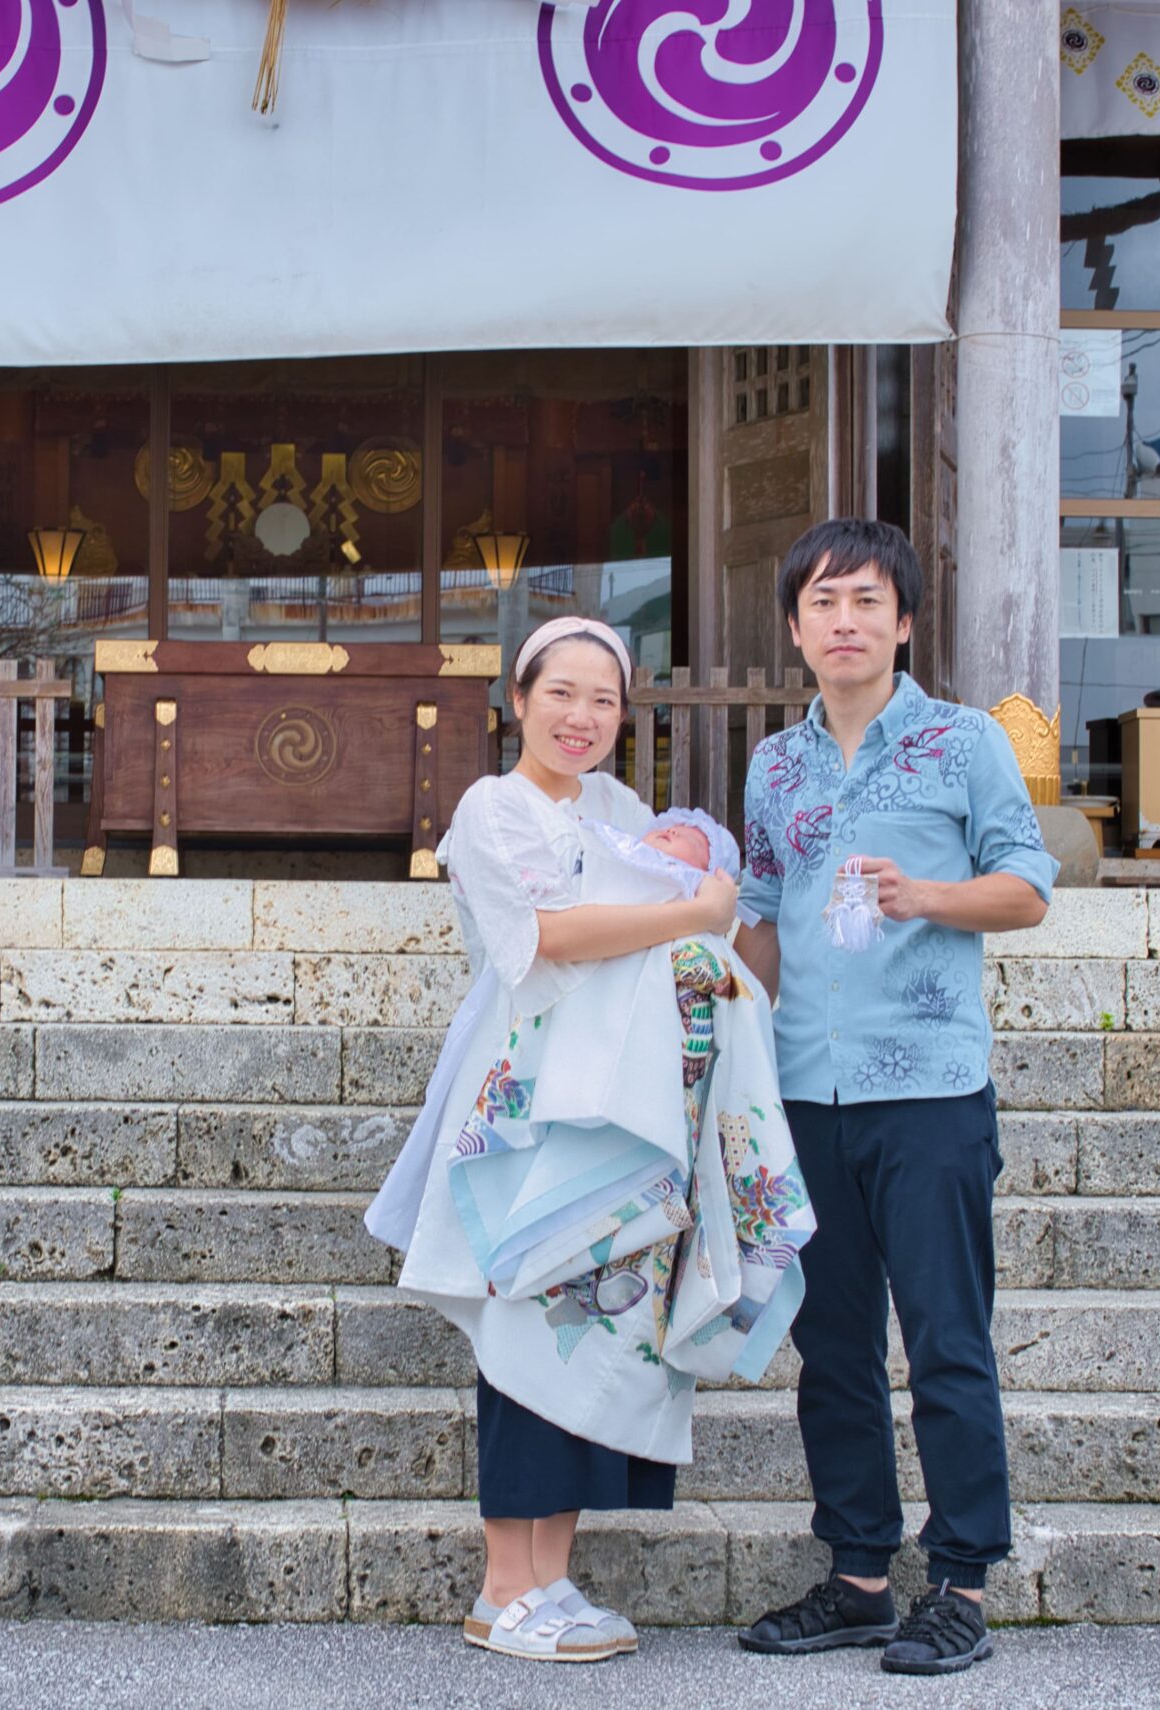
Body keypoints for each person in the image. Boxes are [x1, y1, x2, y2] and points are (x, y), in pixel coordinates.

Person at [365, 616, 810, 1664]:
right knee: (527, 1317)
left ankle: (551, 1580)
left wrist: (706, 912)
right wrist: (692, 912)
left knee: (596, 1324)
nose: (582, 717)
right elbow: (546, 938)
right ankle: (500, 1588)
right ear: (517, 701)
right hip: (529, 1098)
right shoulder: (492, 808)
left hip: (625, 1094)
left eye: (603, 700)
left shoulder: (620, 811)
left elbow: (697, 911)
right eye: (560, 694)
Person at [728, 518, 1057, 1677]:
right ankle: (860, 1577)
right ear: (794, 627)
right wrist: (719, 1034)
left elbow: (1026, 888)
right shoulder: (775, 764)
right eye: (822, 602)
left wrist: (925, 895)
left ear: (904, 621)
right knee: (831, 1347)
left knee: (945, 1342)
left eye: (866, 600)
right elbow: (760, 915)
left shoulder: (964, 742)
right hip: (805, 1095)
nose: (844, 621)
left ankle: (959, 1582)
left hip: (927, 1091)